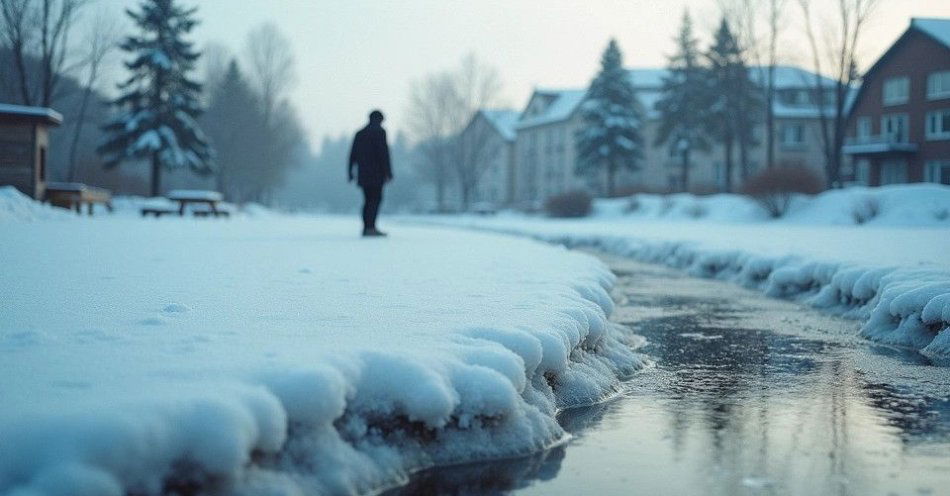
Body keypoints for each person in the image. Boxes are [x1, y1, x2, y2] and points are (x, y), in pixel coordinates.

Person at [348, 110, 393, 236]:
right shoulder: (380, 132)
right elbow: (384, 154)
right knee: (375, 199)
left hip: (363, 175)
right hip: (377, 175)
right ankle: (370, 227)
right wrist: (388, 172)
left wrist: (350, 172)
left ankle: (367, 227)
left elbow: (353, 154)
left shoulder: (360, 134)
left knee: (367, 200)